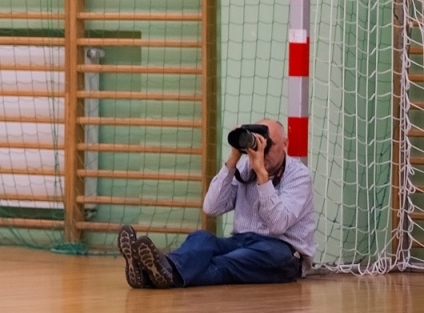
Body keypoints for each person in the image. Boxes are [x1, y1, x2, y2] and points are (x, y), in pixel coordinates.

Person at [119, 118, 314, 288]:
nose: (263, 152)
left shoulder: (298, 175)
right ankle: (163, 271)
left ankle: (151, 273)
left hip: (281, 251)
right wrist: (233, 159)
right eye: (258, 145)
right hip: (241, 241)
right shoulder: (245, 168)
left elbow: (278, 225)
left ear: (285, 144)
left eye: (268, 145)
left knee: (228, 261)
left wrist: (262, 175)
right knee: (202, 239)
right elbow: (211, 207)